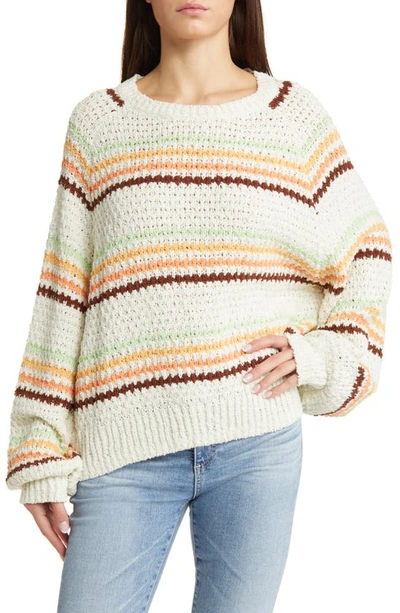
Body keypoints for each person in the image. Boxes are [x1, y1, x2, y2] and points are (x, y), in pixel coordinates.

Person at [5, 1, 393, 611]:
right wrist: (40, 445)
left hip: (257, 438)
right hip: (124, 442)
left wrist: (321, 356)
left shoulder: (291, 116)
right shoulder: (100, 123)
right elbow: (64, 290)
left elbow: (366, 252)